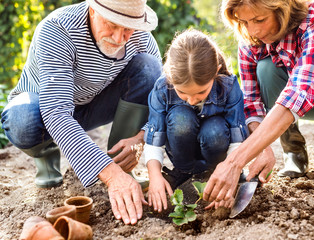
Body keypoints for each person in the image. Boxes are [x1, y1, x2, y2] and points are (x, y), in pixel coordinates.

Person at [1, 0, 162, 225]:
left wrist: (140, 138)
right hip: (44, 109)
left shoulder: (141, 39)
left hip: (94, 104)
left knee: (149, 68)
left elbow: (162, 101)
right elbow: (56, 112)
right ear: (93, 10)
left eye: (127, 28)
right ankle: (47, 157)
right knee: (22, 121)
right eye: (111, 25)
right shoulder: (58, 29)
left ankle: (122, 163)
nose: (118, 38)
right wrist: (110, 176)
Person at [203, 0, 314, 206]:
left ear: (282, 8)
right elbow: (252, 103)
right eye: (245, 21)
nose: (254, 29)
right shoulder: (250, 37)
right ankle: (293, 149)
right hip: (303, 106)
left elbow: (298, 94)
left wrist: (234, 162)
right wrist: (262, 150)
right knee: (266, 70)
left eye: (260, 19)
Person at [143, 29, 248, 212]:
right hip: (183, 154)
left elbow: (237, 138)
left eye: (201, 92)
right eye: (182, 92)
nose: (192, 100)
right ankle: (184, 174)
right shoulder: (161, 89)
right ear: (169, 76)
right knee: (180, 117)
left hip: (218, 152)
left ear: (215, 72)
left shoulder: (229, 87)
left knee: (214, 131)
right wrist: (154, 177)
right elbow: (154, 139)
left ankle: (214, 175)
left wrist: (231, 172)